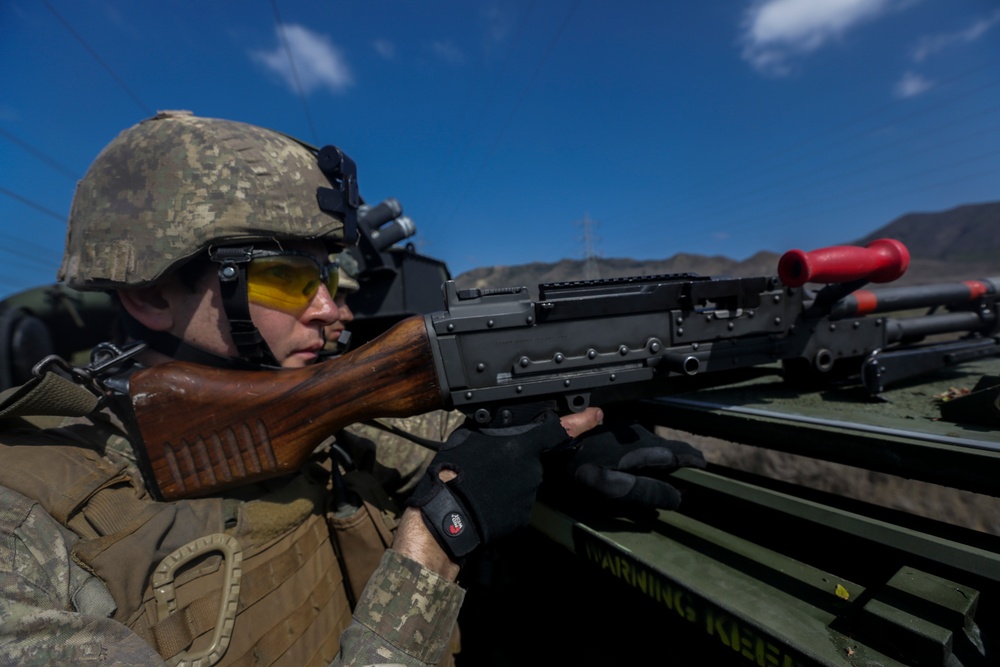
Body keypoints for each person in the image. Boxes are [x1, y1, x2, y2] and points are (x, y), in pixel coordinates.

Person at [0, 111, 705, 666]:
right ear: (151, 296)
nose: (332, 309)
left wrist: (555, 442)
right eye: (286, 278)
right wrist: (434, 539)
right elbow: (440, 504)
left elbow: (433, 443)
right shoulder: (22, 527)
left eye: (329, 279)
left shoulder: (306, 413)